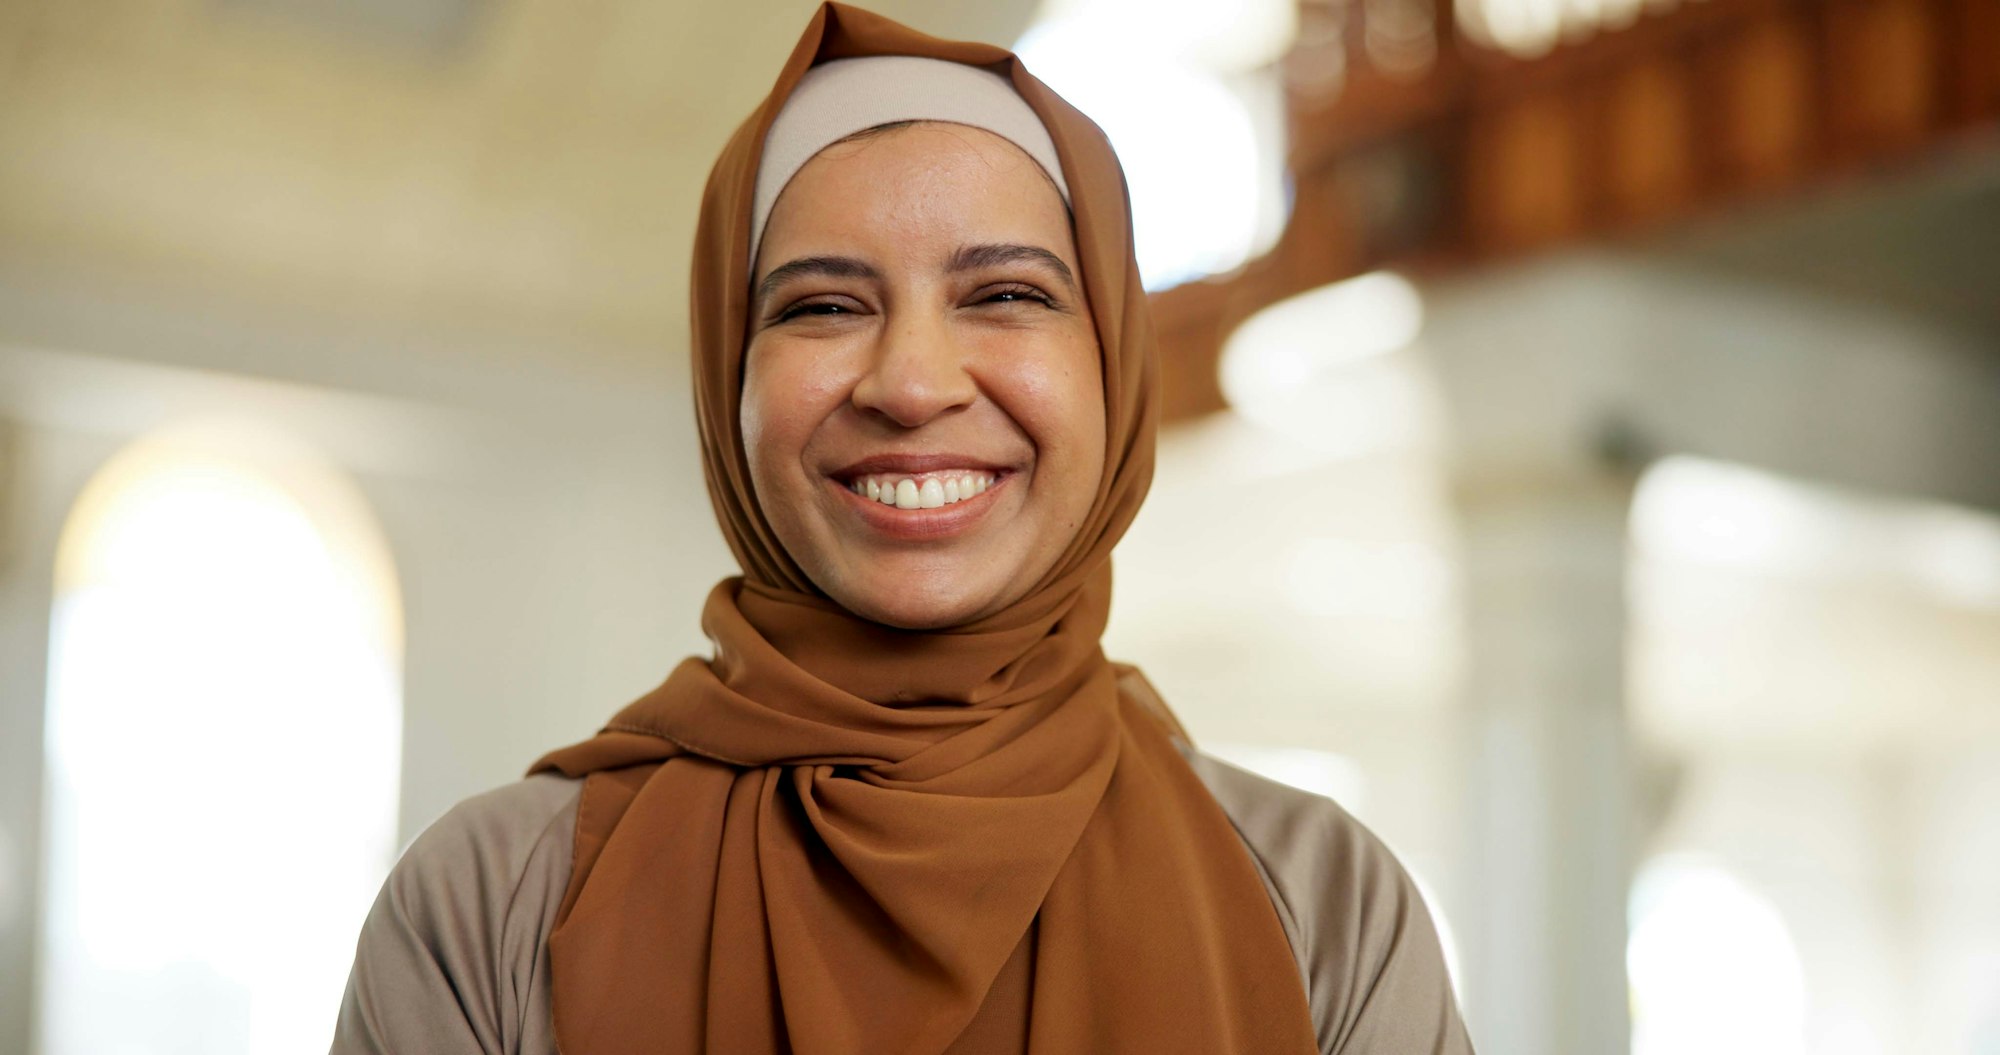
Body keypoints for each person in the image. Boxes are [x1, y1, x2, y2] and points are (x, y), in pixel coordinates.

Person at [330, 4, 1473, 1053]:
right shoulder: (488, 902)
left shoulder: (1324, 905)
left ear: (1113, 368)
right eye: (822, 305)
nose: (912, 383)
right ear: (727, 379)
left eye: (1006, 294)